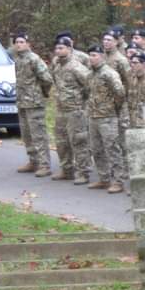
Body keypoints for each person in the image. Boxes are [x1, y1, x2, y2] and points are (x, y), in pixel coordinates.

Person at [83, 43, 126, 193]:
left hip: (108, 117)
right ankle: (104, 178)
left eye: (94, 55)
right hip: (93, 116)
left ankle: (118, 181)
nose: (91, 58)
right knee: (96, 149)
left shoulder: (109, 73)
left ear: (101, 56)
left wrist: (113, 108)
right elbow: (88, 93)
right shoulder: (90, 75)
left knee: (112, 148)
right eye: (90, 55)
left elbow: (120, 93)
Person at [11, 33, 53, 176]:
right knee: (26, 134)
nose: (19, 44)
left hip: (34, 103)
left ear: (28, 44)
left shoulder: (34, 59)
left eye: (22, 42)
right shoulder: (17, 59)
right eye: (17, 42)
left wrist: (41, 93)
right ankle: (33, 161)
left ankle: (44, 165)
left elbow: (47, 79)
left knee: (38, 135)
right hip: (22, 102)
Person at [50, 34, 91, 184]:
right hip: (61, 108)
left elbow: (89, 85)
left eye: (61, 48)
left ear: (69, 48)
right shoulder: (57, 65)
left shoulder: (76, 66)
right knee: (61, 141)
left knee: (79, 141)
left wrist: (81, 102)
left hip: (75, 109)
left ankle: (83, 172)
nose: (58, 51)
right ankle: (66, 170)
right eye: (56, 48)